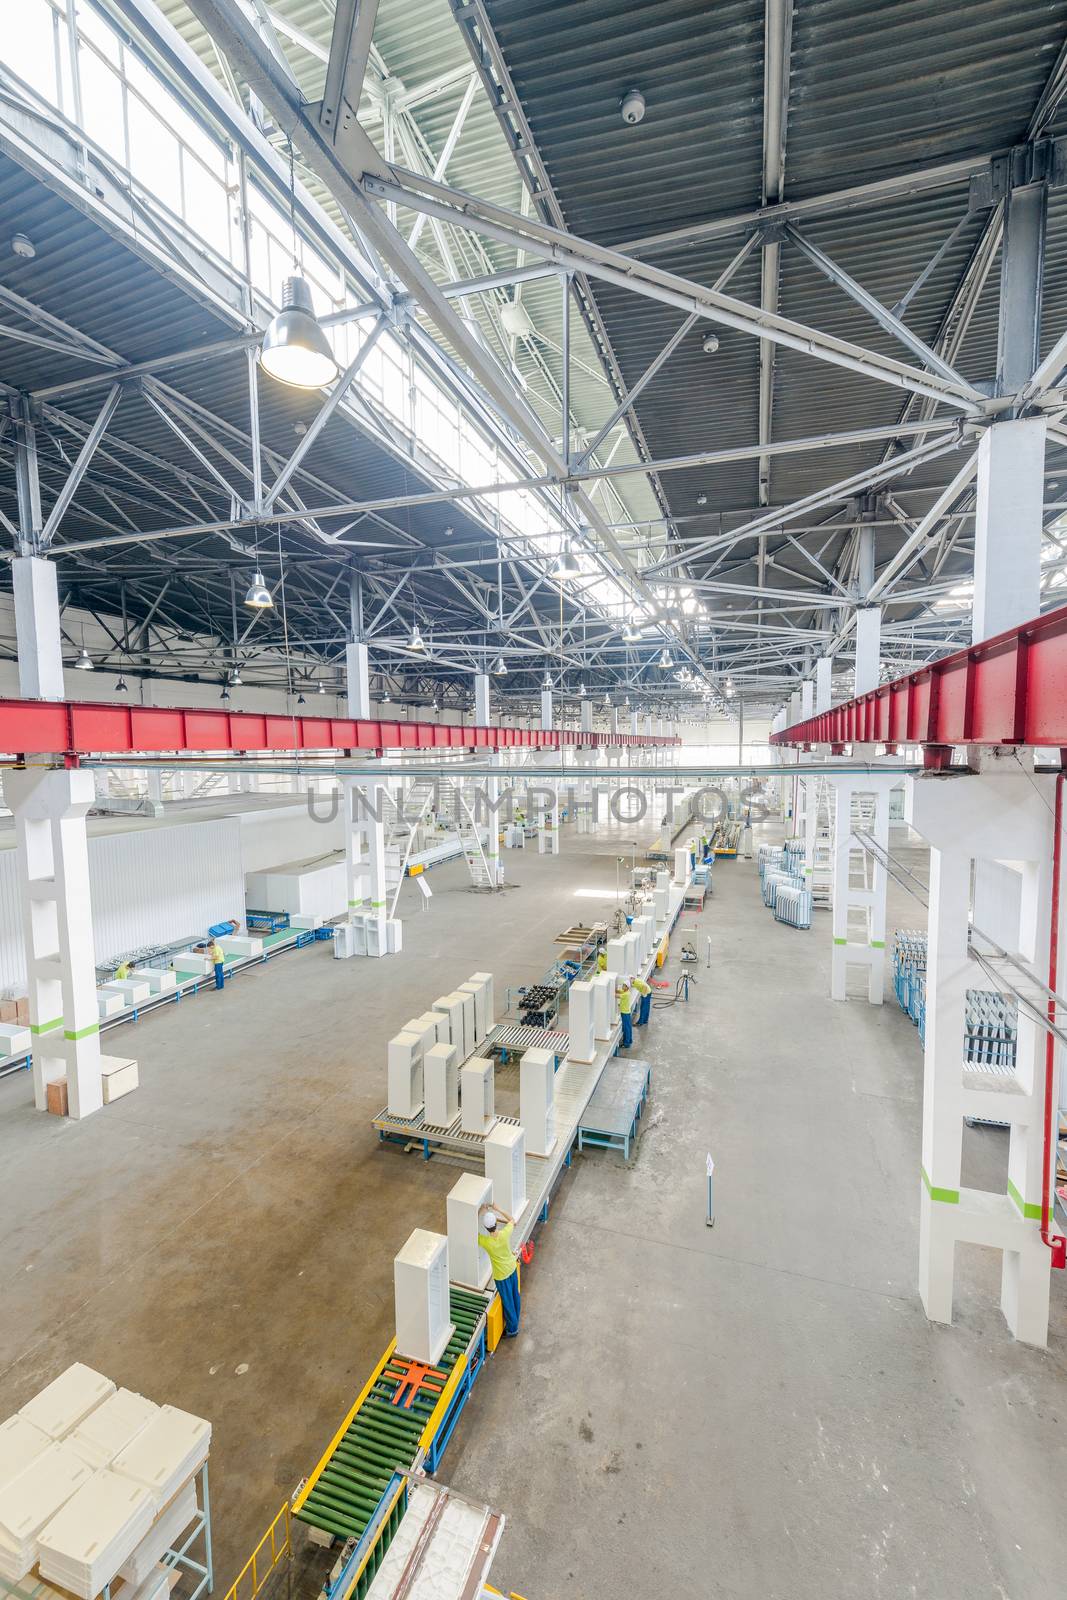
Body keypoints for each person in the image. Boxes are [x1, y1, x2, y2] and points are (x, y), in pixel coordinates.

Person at [478, 1207, 521, 1337]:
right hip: (512, 1267)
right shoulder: (504, 1233)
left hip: (501, 1276)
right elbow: (512, 1220)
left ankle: (512, 1330)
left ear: (486, 1228)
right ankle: (515, 1320)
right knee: (515, 1296)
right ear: (496, 1223)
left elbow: (471, 1233)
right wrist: (496, 1208)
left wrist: (477, 1214)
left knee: (507, 1302)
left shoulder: (487, 1242)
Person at [617, 979, 634, 1048]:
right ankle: (629, 1040)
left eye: (623, 986)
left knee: (626, 1028)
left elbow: (617, 995)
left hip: (625, 1013)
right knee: (628, 1027)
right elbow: (620, 992)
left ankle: (626, 1043)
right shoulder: (626, 992)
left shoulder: (625, 994)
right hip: (627, 1012)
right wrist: (616, 990)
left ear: (627, 987)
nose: (622, 987)